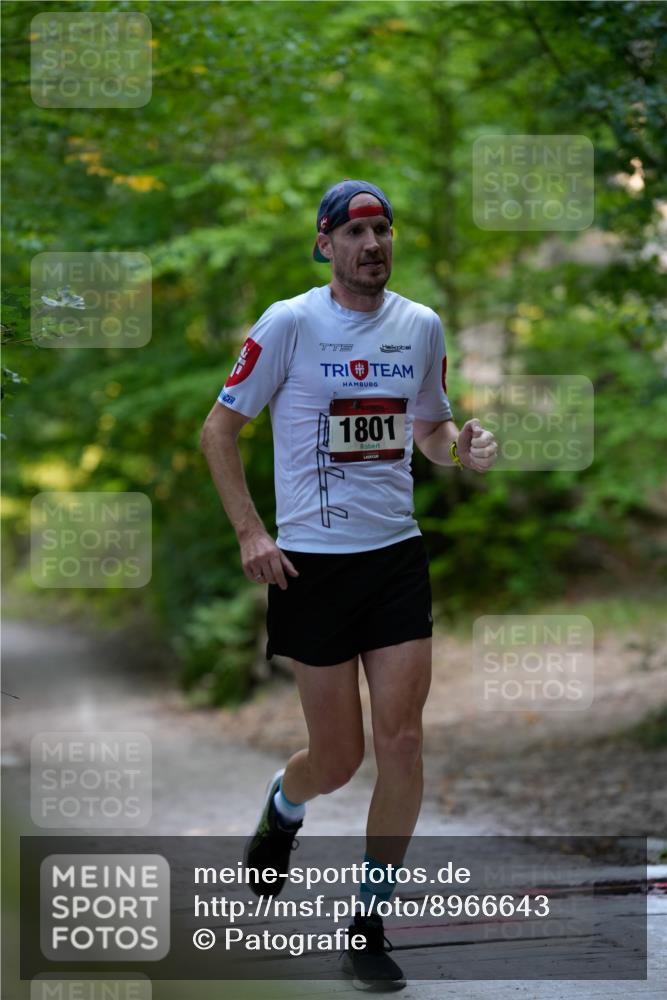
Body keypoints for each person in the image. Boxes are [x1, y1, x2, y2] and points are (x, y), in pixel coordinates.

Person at [200, 179, 498, 990]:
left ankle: (367, 924)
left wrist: (459, 448)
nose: (373, 244)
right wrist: (251, 534)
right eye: (355, 232)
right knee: (337, 759)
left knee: (402, 743)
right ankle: (284, 805)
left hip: (394, 558)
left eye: (384, 230)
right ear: (326, 244)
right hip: (311, 565)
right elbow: (219, 430)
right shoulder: (289, 324)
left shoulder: (420, 326)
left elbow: (428, 429)